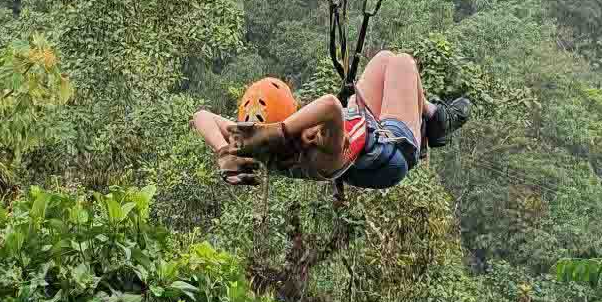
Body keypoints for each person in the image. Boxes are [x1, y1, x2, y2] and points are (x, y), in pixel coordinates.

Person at [192, 51, 471, 192]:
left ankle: (433, 116)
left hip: (363, 133)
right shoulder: (318, 151)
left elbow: (201, 116)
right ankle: (434, 120)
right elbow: (330, 105)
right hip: (390, 152)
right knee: (402, 63)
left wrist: (224, 151)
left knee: (385, 58)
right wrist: (281, 131)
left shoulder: (260, 148)